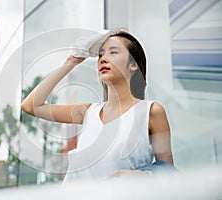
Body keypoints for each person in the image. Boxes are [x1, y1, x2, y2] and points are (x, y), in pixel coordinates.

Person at [21, 29, 174, 183]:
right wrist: (71, 60)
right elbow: (31, 106)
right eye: (101, 54)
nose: (103, 59)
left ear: (133, 64)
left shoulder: (151, 112)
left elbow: (169, 174)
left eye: (113, 52)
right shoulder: (88, 112)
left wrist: (141, 175)